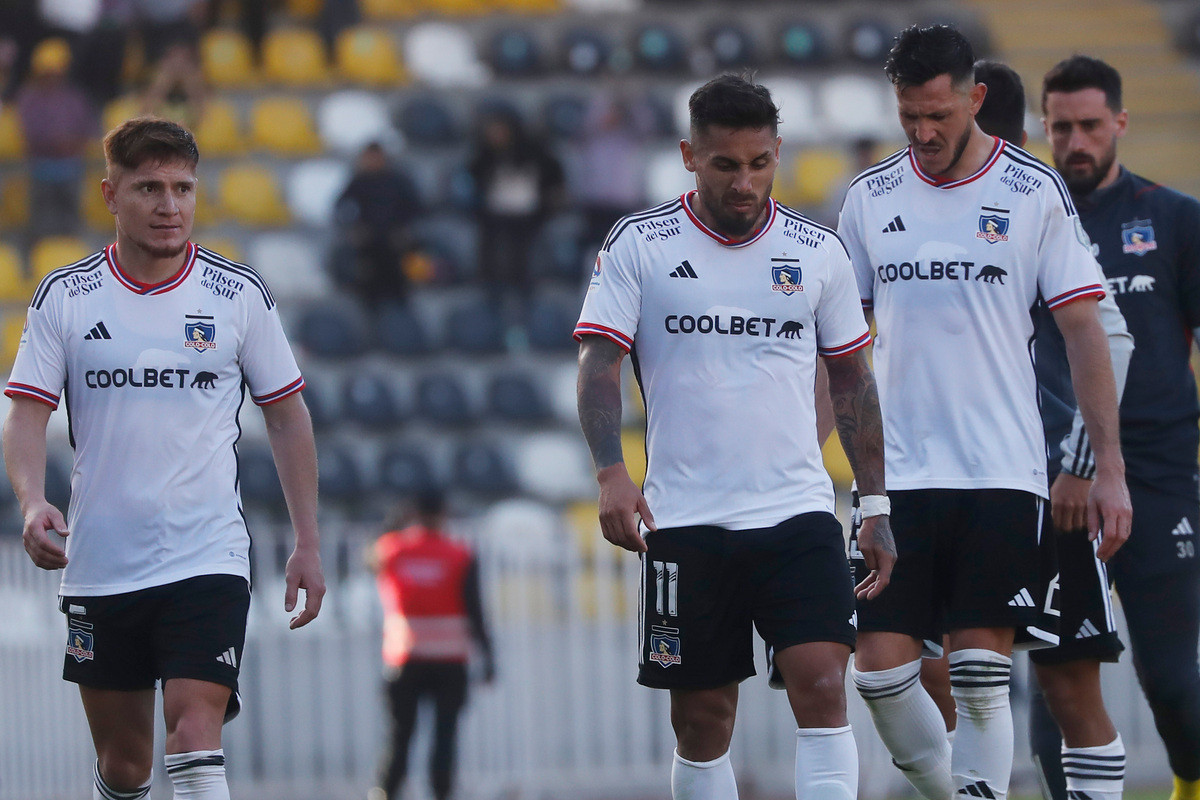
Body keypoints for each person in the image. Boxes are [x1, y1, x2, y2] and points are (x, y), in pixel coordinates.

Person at [575, 73, 895, 800]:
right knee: (701, 717)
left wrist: (873, 503)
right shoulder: (640, 244)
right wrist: (610, 472)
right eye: (725, 164)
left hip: (797, 514)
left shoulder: (819, 252)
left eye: (759, 163)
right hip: (685, 519)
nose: (744, 181)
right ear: (690, 155)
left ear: (778, 152)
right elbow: (599, 364)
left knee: (820, 682)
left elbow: (852, 381)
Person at [838, 26, 1132, 800]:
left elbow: (1087, 331)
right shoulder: (869, 198)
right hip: (895, 475)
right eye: (909, 117)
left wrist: (1108, 468)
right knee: (881, 673)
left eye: (939, 114)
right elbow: (840, 352)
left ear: (974, 98)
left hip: (1001, 471)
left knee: (976, 676)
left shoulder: (1032, 191)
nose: (925, 132)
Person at [3, 117, 325, 800]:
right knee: (126, 763)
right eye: (148, 187)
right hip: (102, 563)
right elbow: (27, 413)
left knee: (194, 729)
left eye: (182, 187)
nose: (168, 204)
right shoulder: (66, 296)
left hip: (206, 555)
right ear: (110, 194)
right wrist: (32, 501)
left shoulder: (237, 295)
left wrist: (307, 541)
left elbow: (288, 415)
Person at [1041, 54, 1200, 800]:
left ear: (1121, 125)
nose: (1076, 141)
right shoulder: (1024, 220)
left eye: (1091, 126)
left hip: (1159, 477)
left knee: (1176, 684)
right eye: (1061, 126)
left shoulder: (1175, 219)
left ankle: (1188, 782)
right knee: (1057, 691)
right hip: (1056, 478)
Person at [366, 491, 494, 800]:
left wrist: (394, 525)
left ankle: (385, 792)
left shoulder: (391, 549)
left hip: (404, 660)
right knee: (445, 736)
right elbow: (475, 610)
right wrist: (489, 656)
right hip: (450, 660)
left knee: (399, 738)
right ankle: (442, 793)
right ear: (444, 513)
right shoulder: (460, 554)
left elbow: (368, 559)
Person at [467, 105, 564, 296]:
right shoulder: (484, 155)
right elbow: (474, 177)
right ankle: (493, 290)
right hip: (495, 215)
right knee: (495, 258)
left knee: (525, 260)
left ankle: (526, 291)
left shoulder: (533, 152)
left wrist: (552, 197)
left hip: (528, 215)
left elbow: (554, 174)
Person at [15, 37, 98, 238]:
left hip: (72, 170)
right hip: (40, 171)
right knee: (40, 227)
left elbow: (91, 130)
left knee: (74, 226)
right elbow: (29, 133)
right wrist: (55, 143)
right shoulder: (28, 98)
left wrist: (75, 143)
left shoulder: (75, 97)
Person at [334, 142, 423, 305]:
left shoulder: (397, 181)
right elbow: (341, 206)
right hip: (369, 246)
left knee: (398, 291)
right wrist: (354, 228)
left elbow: (415, 207)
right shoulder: (359, 182)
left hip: (394, 246)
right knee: (369, 290)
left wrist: (403, 229)